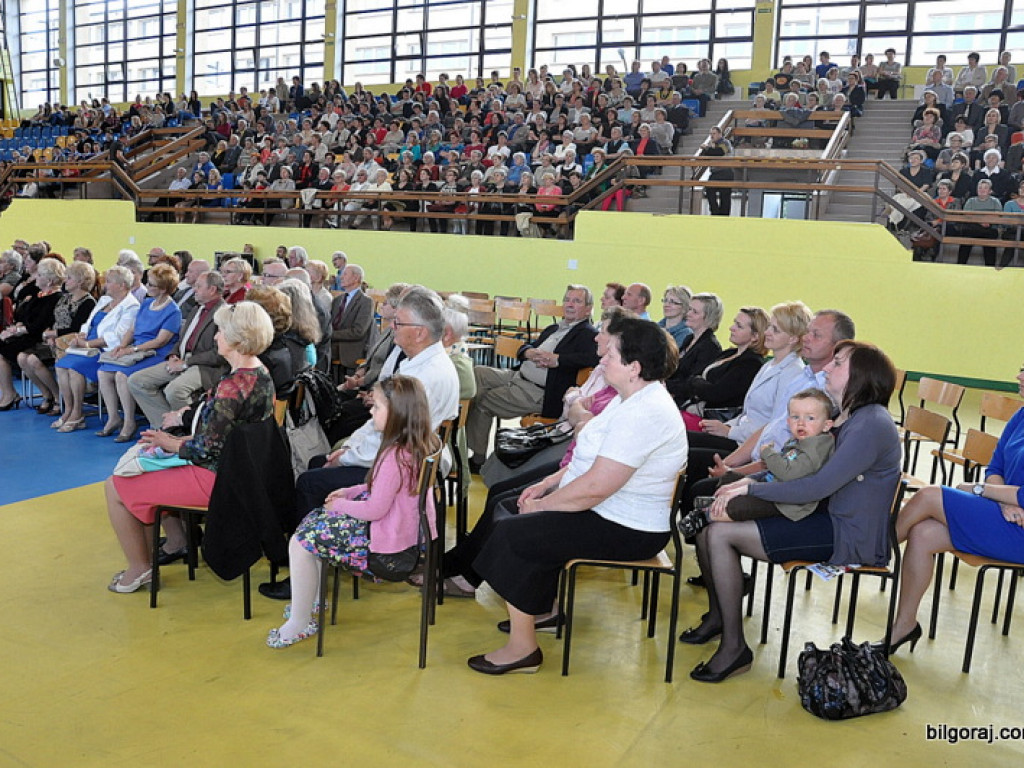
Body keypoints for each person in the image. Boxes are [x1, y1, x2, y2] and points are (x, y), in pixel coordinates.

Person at [464, 317, 687, 674]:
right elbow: (590, 458)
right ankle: (544, 610)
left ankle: (523, 650)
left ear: (634, 367)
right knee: (509, 505)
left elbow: (598, 486)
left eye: (610, 354)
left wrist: (543, 506)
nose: (602, 360)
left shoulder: (645, 413)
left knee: (515, 532)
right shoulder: (629, 397)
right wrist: (547, 484)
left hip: (628, 528)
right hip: (607, 509)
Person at [684, 340, 900, 682]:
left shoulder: (870, 423)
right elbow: (798, 467)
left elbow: (816, 485)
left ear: (860, 376)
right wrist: (742, 478)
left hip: (844, 531)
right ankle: (719, 617)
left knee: (719, 533)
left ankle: (733, 646)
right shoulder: (848, 415)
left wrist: (750, 487)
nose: (828, 367)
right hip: (820, 513)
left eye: (839, 363)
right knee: (710, 521)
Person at [104, 302, 276, 593]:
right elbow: (226, 438)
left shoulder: (234, 385)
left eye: (221, 330)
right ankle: (167, 547)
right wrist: (178, 441)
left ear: (237, 337)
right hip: (241, 473)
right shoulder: (258, 373)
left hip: (218, 480)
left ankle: (139, 568)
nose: (216, 337)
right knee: (142, 467)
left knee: (116, 484)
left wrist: (171, 443)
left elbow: (207, 449)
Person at [266, 375, 441, 648]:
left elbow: (375, 508)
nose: (371, 411)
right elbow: (379, 488)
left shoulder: (395, 456)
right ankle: (310, 600)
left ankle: (301, 621)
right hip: (399, 532)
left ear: (396, 413)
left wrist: (340, 505)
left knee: (301, 542)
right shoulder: (415, 444)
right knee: (314, 524)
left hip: (386, 545)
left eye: (378, 407)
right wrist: (349, 493)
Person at [885, 364, 1024, 655]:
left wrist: (979, 490)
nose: (1019, 377)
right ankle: (904, 627)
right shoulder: (1021, 414)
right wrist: (1002, 499)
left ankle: (873, 550)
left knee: (930, 495)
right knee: (923, 534)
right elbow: (996, 466)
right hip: (1005, 513)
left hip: (1019, 530)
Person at [466, 284, 599, 468]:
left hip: (537, 392)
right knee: (478, 372)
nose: (569, 304)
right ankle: (459, 418)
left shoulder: (588, 334)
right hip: (517, 376)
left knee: (483, 402)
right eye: (567, 299)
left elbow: (594, 357)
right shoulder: (554, 328)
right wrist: (528, 353)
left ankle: (477, 458)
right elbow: (526, 346)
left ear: (588, 309)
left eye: (576, 301)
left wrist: (558, 360)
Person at [680, 388, 836, 537]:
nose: (801, 423)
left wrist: (767, 453)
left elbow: (787, 473)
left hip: (785, 502)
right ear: (788, 421)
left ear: (827, 424)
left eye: (810, 418)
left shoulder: (815, 449)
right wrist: (748, 479)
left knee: (742, 506)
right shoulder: (801, 440)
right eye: (796, 417)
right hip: (773, 484)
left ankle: (707, 514)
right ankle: (716, 503)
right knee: (730, 478)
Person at [95, 263, 182, 442]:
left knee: (121, 375)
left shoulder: (173, 311)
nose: (147, 287)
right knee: (103, 371)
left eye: (151, 285)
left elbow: (160, 341)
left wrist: (132, 349)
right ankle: (113, 417)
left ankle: (129, 421)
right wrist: (122, 345)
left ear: (164, 289)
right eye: (147, 283)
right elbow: (132, 329)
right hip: (136, 348)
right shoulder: (147, 302)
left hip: (155, 353)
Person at [128, 270, 226, 427]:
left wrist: (185, 363)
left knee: (175, 390)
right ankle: (166, 426)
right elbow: (181, 340)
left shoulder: (224, 314)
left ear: (212, 290)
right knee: (136, 381)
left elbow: (219, 354)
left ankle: (190, 429)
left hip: (205, 366)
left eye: (199, 286)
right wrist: (173, 355)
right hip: (181, 359)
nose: (194, 289)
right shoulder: (197, 309)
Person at [0, 257, 66, 410]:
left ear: (49, 281)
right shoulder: (39, 295)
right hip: (29, 334)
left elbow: (39, 325)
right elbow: (24, 316)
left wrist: (17, 331)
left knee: (20, 355)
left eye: (40, 275)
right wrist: (16, 326)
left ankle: (55, 395)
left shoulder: (55, 298)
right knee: (9, 349)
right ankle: (44, 394)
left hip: (40, 337)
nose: (36, 277)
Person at [658, 285, 693, 350]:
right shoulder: (655, 327)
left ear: (684, 308)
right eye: (665, 300)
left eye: (673, 302)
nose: (667, 305)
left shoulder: (686, 334)